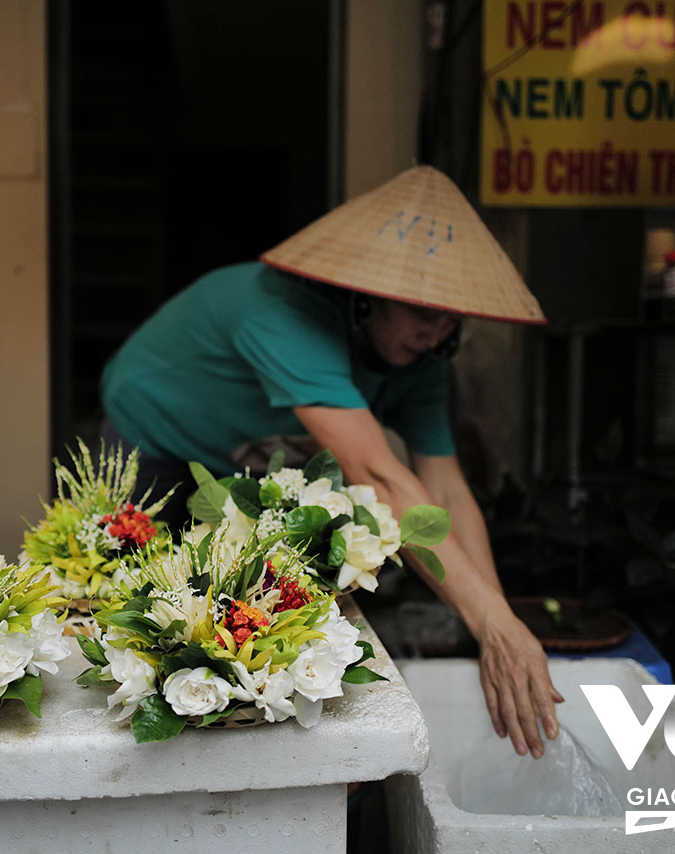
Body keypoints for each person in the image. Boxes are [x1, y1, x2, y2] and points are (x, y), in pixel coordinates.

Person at [99, 166, 561, 759]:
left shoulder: (421, 355)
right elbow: (380, 474)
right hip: (152, 437)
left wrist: (495, 629)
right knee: (136, 619)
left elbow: (443, 491)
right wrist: (494, 624)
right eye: (424, 312)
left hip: (248, 459)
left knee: (240, 619)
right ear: (366, 293)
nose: (437, 331)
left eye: (452, 318)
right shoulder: (284, 313)